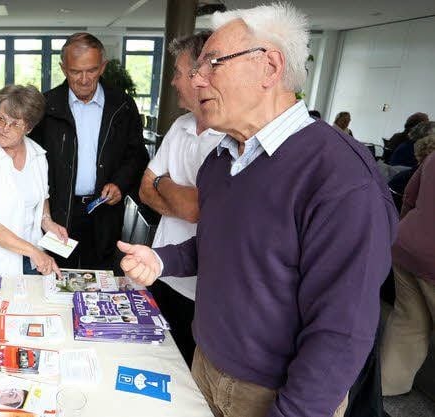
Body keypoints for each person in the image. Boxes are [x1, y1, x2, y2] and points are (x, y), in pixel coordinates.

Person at [117, 4, 396, 417]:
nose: (196, 78)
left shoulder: (339, 177)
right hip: (204, 367)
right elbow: (219, 243)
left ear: (269, 67)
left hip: (275, 397)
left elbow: (342, 330)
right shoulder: (220, 160)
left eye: (212, 63)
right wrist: (161, 258)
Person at [137, 31, 223, 368]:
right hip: (160, 271)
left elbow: (196, 207)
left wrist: (163, 182)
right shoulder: (180, 125)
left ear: (200, 74)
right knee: (156, 362)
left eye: (176, 72)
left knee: (187, 372)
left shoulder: (228, 138)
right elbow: (145, 188)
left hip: (198, 288)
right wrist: (170, 190)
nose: (172, 81)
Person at [31, 32, 148, 271]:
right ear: (64, 68)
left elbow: (136, 155)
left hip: (104, 211)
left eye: (92, 70)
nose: (84, 79)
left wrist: (119, 183)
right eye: (76, 71)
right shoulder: (47, 106)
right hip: (59, 212)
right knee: (58, 276)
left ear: (103, 66)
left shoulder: (122, 105)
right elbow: (31, 161)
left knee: (101, 279)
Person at [0, 85, 67, 277]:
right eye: (1, 119)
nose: (4, 128)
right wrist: (33, 251)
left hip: (30, 256)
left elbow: (42, 196)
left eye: (15, 124)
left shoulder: (37, 154)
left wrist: (47, 222)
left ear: (29, 127)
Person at [381, 135, 435, 397]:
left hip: (407, 246)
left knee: (408, 320)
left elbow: (408, 198)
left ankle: (387, 385)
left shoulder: (433, 157)